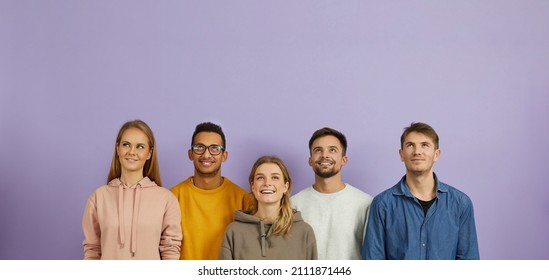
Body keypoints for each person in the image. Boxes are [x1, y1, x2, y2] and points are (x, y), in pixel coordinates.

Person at [362, 122, 480, 260]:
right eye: (410, 145)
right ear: (401, 154)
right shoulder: (382, 204)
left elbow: (469, 261)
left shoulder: (460, 204)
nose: (417, 151)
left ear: (436, 154)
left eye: (425, 145)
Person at [82, 120, 182, 260]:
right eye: (126, 145)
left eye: (140, 146)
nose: (132, 151)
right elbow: (92, 250)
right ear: (117, 149)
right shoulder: (98, 197)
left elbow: (170, 250)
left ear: (149, 153)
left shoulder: (166, 199)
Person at [170, 122, 254, 260]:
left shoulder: (243, 199)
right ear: (190, 154)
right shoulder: (173, 197)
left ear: (224, 156)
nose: (206, 154)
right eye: (199, 147)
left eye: (214, 148)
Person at [291, 127, 373, 260]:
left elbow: (372, 255)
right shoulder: (293, 204)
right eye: (318, 150)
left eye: (332, 150)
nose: (325, 155)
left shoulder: (365, 203)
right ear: (310, 160)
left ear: (344, 160)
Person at [220, 155, 317, 260]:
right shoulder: (234, 231)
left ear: (286, 186)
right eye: (260, 178)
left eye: (275, 177)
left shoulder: (304, 232)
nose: (267, 183)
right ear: (253, 186)